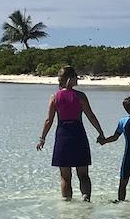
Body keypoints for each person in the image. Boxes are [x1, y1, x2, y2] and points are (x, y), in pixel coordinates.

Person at [35, 66, 107, 201]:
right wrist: (100, 132)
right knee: (83, 174)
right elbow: (90, 116)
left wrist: (42, 138)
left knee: (65, 176)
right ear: (70, 78)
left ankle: (67, 207)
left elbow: (49, 120)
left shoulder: (54, 97)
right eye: (75, 77)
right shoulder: (80, 96)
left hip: (63, 136)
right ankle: (86, 200)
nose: (77, 79)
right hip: (78, 134)